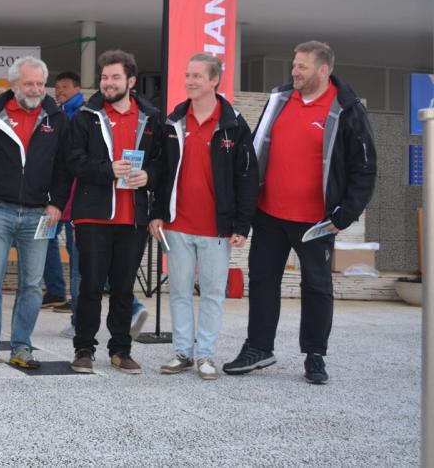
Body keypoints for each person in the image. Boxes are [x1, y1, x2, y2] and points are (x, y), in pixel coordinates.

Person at [224, 41, 376, 384]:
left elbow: (365, 168)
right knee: (262, 281)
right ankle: (259, 348)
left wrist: (344, 215)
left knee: (317, 287)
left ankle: (315, 355)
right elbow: (257, 148)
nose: (294, 72)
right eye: (294, 65)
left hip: (316, 222)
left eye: (302, 67)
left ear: (323, 70)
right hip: (269, 215)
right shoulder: (279, 99)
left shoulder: (347, 109)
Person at [149, 54, 258, 380]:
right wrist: (157, 213)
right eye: (188, 75)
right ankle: (182, 353)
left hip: (216, 229)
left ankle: (206, 355)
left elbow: (247, 177)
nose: (190, 81)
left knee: (212, 294)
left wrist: (242, 224)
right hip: (177, 225)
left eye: (197, 75)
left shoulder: (235, 125)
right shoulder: (173, 122)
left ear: (214, 81)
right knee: (179, 292)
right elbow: (161, 172)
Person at [0, 56, 71, 371]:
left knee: (32, 286)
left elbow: (64, 166)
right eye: (29, 83)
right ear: (14, 85)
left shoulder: (57, 118)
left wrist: (57, 202)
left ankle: (22, 347)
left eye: (40, 83)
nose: (36, 89)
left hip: (40, 213)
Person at [66, 50, 161, 375]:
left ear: (131, 81)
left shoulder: (150, 117)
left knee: (123, 288)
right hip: (93, 216)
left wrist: (148, 175)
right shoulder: (86, 116)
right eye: (104, 77)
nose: (108, 83)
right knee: (90, 286)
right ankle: (84, 349)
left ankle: (121, 349)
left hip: (133, 218)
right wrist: (107, 169)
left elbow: (162, 163)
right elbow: (73, 160)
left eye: (115, 77)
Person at [42, 71, 82, 313]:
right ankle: (56, 291)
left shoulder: (80, 114)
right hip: (56, 193)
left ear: (78, 88)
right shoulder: (58, 113)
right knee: (44, 237)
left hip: (75, 193)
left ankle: (74, 300)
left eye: (65, 87)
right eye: (57, 87)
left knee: (74, 247)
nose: (60, 91)